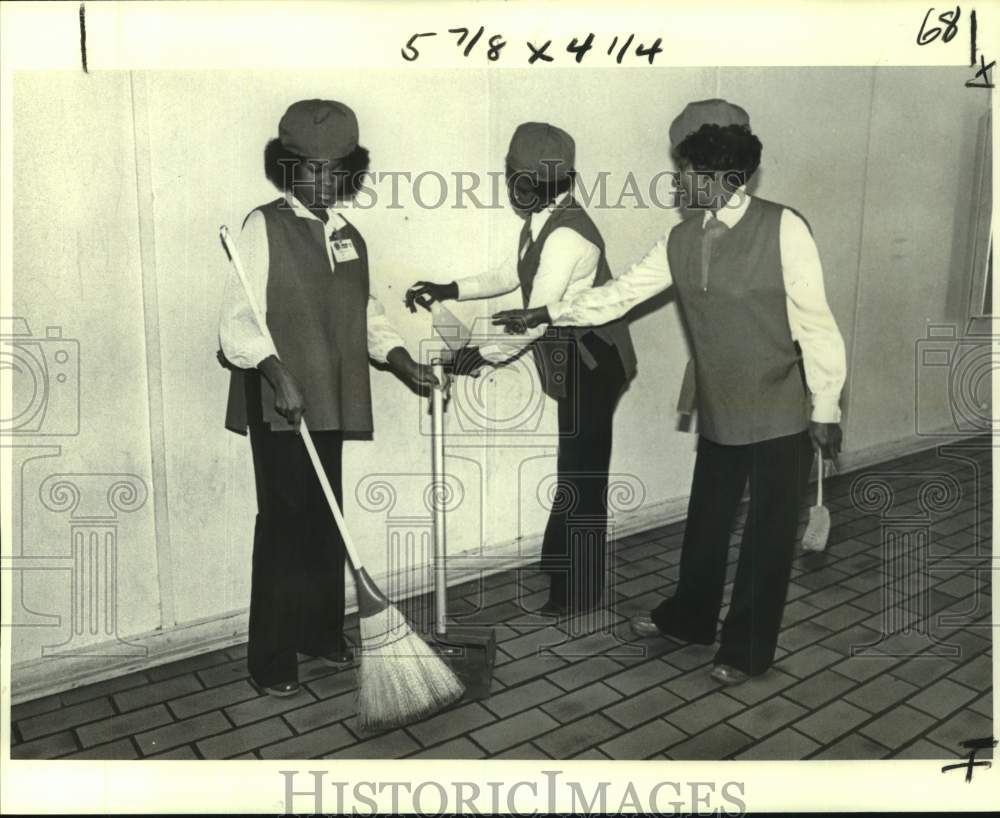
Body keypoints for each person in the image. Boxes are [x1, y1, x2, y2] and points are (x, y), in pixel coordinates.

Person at [492, 100, 847, 685]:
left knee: (766, 539)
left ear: (716, 172)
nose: (676, 180)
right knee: (706, 521)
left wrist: (827, 406)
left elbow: (816, 323)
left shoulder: (784, 227)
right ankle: (689, 619)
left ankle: (745, 649)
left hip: (782, 408)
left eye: (684, 169)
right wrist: (546, 313)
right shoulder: (680, 238)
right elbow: (620, 294)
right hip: (719, 405)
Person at [218, 99, 442, 697]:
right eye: (311, 168)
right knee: (285, 525)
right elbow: (236, 322)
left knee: (326, 521)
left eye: (336, 169)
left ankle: (320, 634)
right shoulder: (262, 226)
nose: (323, 181)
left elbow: (365, 315)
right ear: (288, 167)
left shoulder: (349, 236)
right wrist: (275, 371)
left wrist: (403, 363)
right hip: (282, 401)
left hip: (331, 400)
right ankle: (270, 658)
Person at [404, 122, 637, 618]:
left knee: (583, 473)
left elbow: (532, 323)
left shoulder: (568, 236)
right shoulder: (544, 220)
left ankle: (579, 589)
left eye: (513, 176)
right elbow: (514, 274)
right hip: (573, 358)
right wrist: (451, 288)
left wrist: (472, 356)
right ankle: (562, 563)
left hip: (596, 363)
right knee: (573, 465)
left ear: (530, 183)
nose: (511, 185)